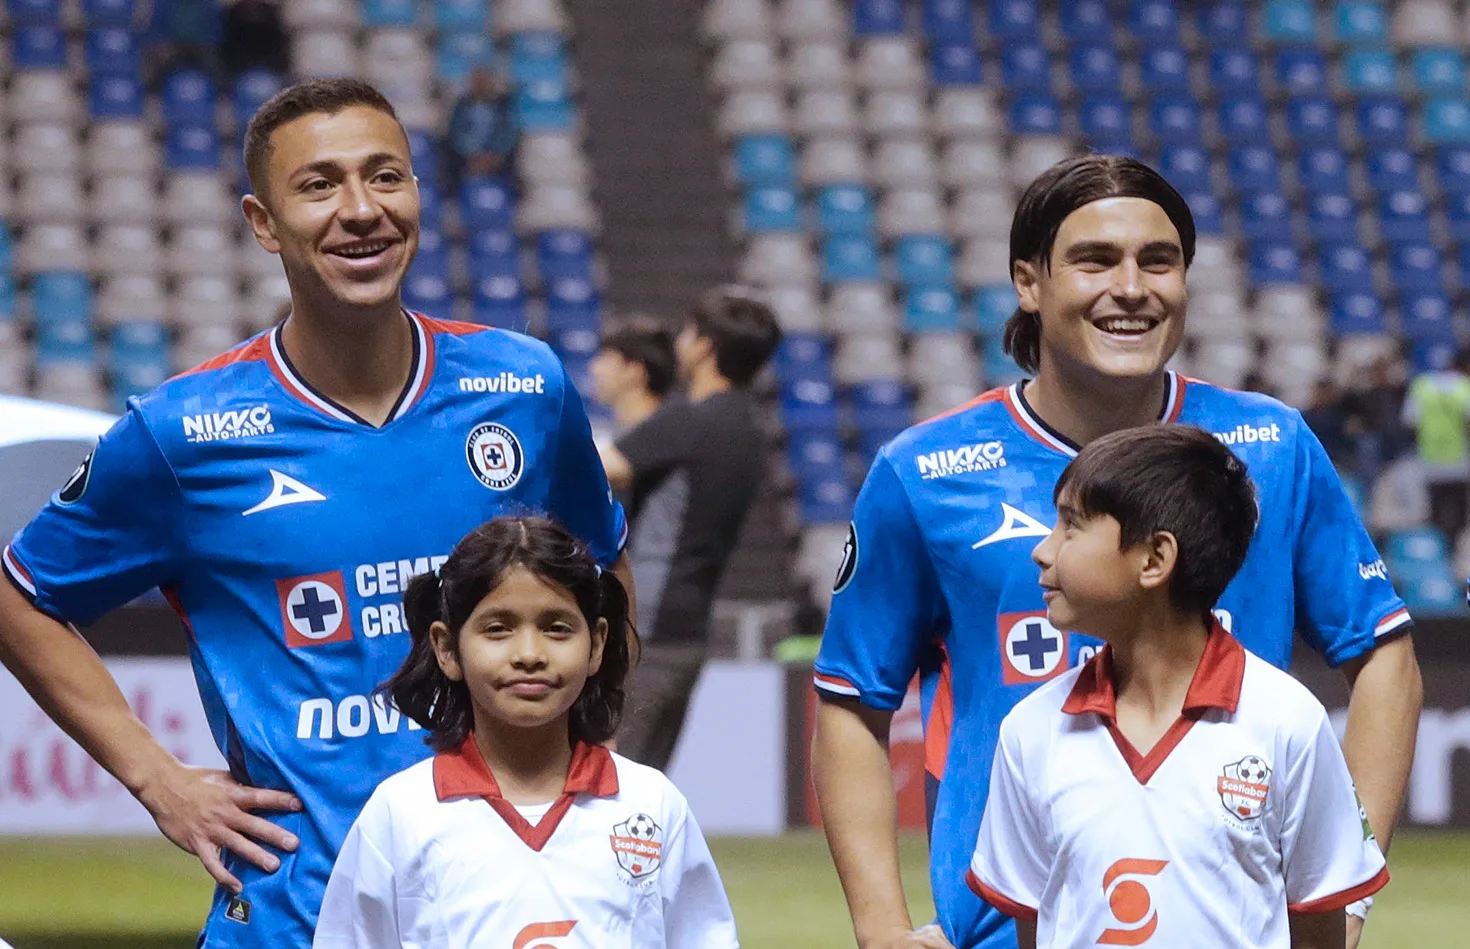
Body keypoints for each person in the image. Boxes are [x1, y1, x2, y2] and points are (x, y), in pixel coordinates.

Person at [0, 78, 631, 948]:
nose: (362, 210)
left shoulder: (525, 385)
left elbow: (602, 564)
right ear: (264, 223)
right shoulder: (181, 433)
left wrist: (597, 744)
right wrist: (155, 776)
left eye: (386, 176)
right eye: (320, 185)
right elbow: (21, 594)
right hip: (295, 915)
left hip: (509, 909)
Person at [811, 155, 1422, 949]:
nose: (1131, 287)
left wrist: (1347, 891)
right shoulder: (923, 472)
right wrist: (881, 929)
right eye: (1095, 260)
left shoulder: (1272, 447)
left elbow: (1383, 657)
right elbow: (852, 701)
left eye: (1157, 261)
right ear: (1029, 282)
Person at [970, 425, 1389, 949]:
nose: (1042, 550)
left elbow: (1318, 930)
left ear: (1154, 559)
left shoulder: (1287, 721)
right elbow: (1036, 927)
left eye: (1071, 526)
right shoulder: (1030, 731)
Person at [314, 516, 737, 947]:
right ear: (447, 648)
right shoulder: (400, 813)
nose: (530, 654)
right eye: (498, 629)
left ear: (595, 644)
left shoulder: (652, 805)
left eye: (557, 628)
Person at [599, 286, 781, 770]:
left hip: (649, 626)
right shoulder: (749, 428)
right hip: (691, 629)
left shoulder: (693, 420)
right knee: (648, 782)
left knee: (615, 780)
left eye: (687, 333)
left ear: (703, 347)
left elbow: (602, 467)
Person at [1401, 347, 1470, 542]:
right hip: (1459, 460)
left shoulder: (1421, 386)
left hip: (1430, 459)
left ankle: (1440, 548)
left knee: (1435, 513)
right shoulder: (1464, 386)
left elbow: (1409, 420)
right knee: (1460, 514)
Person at [591, 316, 678, 434]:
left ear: (635, 370)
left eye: (606, 360)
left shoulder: (664, 437)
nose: (595, 368)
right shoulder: (625, 434)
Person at [445, 67, 521, 186]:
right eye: (477, 81)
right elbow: (456, 133)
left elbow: (509, 133)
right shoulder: (461, 106)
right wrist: (471, 155)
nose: (481, 85)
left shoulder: (503, 106)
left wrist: (494, 155)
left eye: (484, 81)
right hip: (467, 159)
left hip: (497, 158)